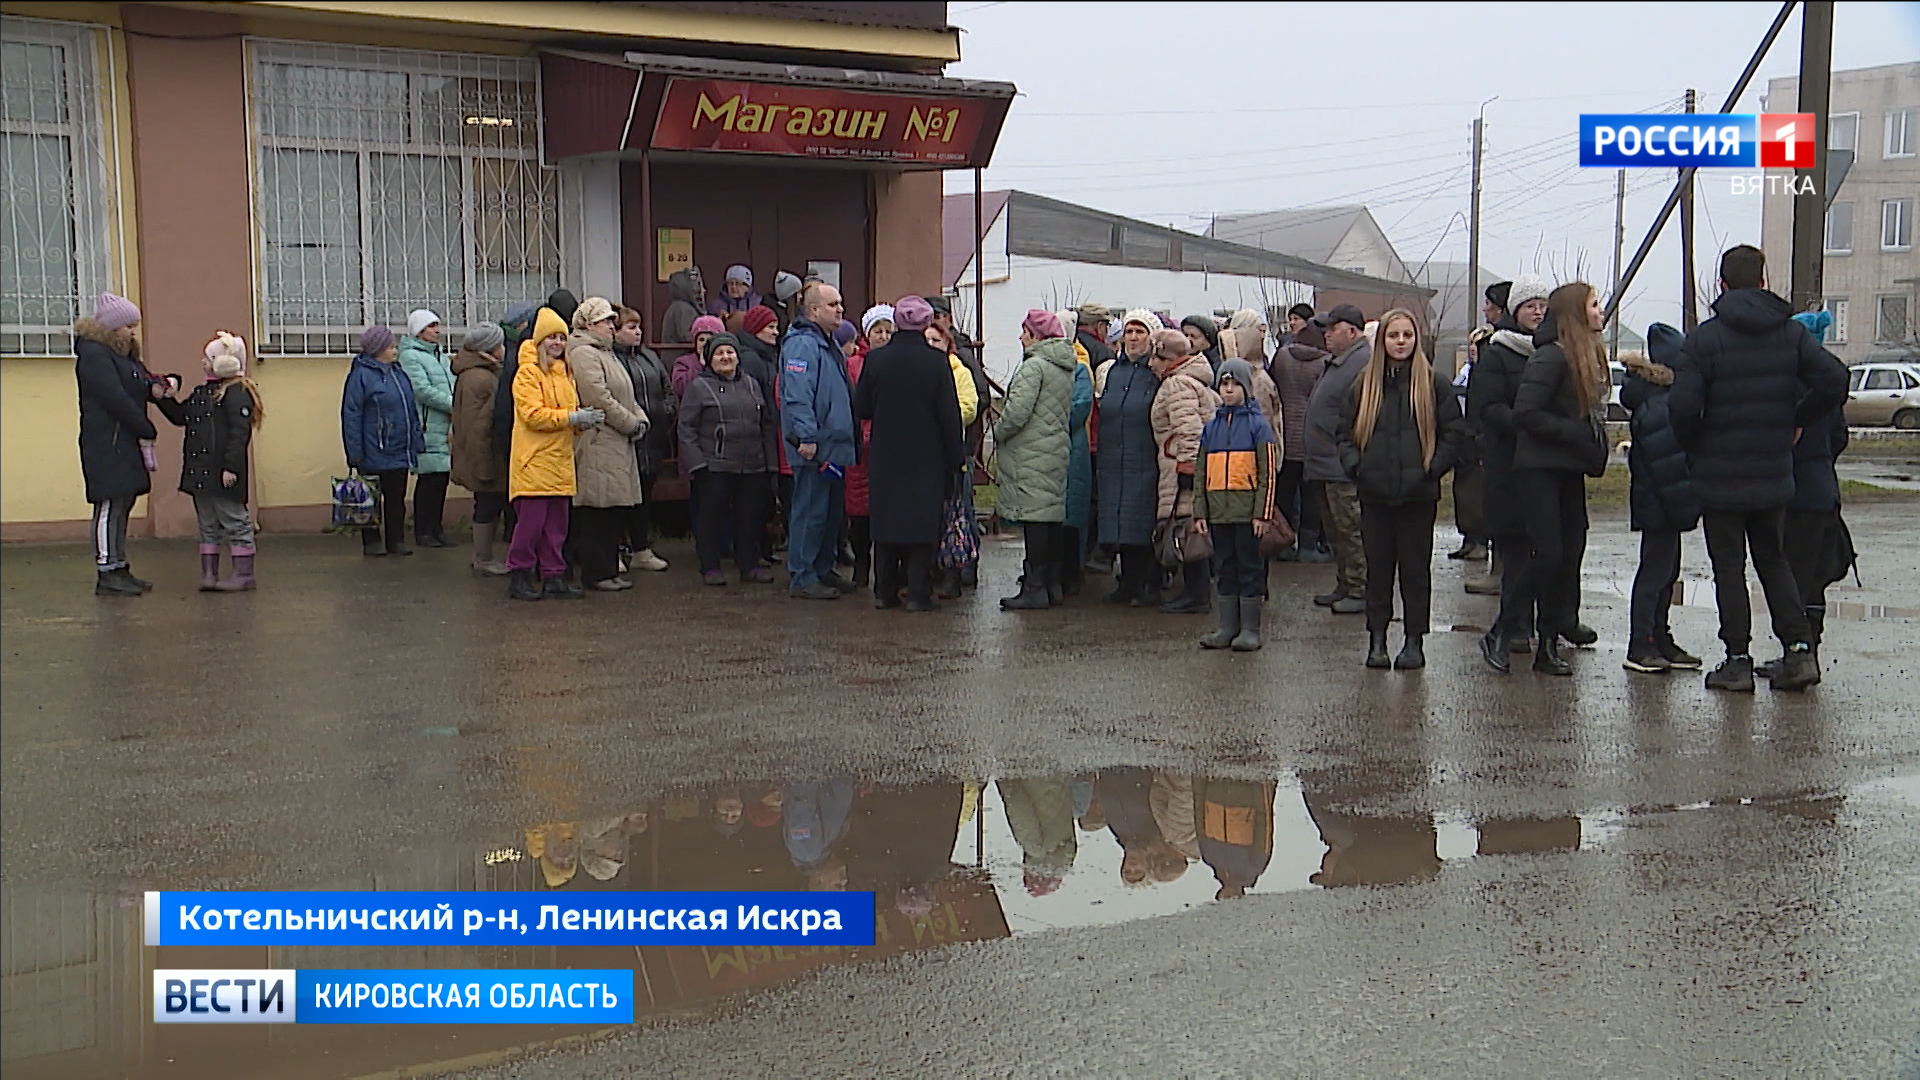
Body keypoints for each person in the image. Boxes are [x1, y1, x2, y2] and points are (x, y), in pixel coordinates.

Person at [1668, 244, 1850, 692]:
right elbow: (1836, 380)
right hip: (1773, 470)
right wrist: (1798, 419)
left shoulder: (1704, 339)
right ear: (1764, 280)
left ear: (1723, 284)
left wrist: (1697, 446)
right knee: (1774, 560)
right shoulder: (1790, 335)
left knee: (1728, 567)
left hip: (1719, 475)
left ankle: (1737, 659)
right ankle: (1799, 652)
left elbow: (1683, 408)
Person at [1337, 309, 1464, 671]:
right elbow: (1343, 434)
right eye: (1394, 336)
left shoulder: (1434, 384)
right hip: (1375, 494)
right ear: (1382, 341)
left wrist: (1432, 469)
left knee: (1414, 571)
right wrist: (1357, 467)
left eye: (1407, 335)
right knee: (1378, 571)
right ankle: (1376, 640)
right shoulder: (1363, 385)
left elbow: (1454, 433)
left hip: (1417, 496)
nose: (1401, 342)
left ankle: (1414, 641)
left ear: (1416, 339)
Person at [1499, 283, 1612, 677]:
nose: (1601, 312)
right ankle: (1503, 627)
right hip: (1539, 469)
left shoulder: (1583, 355)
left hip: (1566, 470)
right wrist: (1574, 433)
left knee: (1566, 555)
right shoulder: (1550, 357)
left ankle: (1548, 644)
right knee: (1547, 554)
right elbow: (1525, 413)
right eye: (1594, 306)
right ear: (1575, 315)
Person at [853, 296, 965, 612]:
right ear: (926, 323)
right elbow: (948, 416)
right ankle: (917, 594)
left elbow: (861, 407)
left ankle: (884, 592)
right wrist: (955, 458)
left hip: (886, 454)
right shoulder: (935, 362)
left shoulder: (876, 361)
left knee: (886, 523)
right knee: (920, 524)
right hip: (925, 456)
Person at [1470, 274, 1550, 655]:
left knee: (1545, 548)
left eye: (1542, 305)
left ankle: (1543, 622)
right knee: (1517, 548)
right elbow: (1484, 408)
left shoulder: (1550, 350)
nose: (1537, 311)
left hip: (1544, 465)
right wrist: (1524, 420)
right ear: (1515, 309)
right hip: (1508, 463)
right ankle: (1513, 625)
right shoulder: (1497, 352)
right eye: (1529, 305)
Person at [1762, 334, 1848, 682]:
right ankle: (1811, 647)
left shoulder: (1787, 390)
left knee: (1790, 579)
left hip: (1794, 494)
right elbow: (1840, 437)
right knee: (1814, 580)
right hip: (1824, 491)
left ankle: (1797, 655)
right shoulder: (1825, 393)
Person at [1620, 324, 1704, 673]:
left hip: (1663, 503)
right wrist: (1685, 505)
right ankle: (1642, 643)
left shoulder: (1663, 400)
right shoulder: (1659, 406)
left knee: (1667, 571)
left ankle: (1659, 635)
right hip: (1660, 503)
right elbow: (1666, 464)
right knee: (1655, 573)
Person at [153, 331, 263, 591]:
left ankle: (244, 574)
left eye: (209, 357)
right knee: (207, 523)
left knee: (235, 521)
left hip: (223, 472)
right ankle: (209, 574)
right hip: (200, 471)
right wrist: (163, 398)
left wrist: (231, 467)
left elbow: (239, 434)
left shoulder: (236, 393)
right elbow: (182, 416)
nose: (203, 362)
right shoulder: (203, 392)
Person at [506, 307, 602, 601]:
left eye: (562, 337)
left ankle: (553, 576)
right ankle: (519, 574)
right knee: (530, 526)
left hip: (560, 462)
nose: (558, 343)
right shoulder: (527, 374)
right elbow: (532, 415)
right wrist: (571, 419)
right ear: (538, 341)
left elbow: (564, 417)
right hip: (533, 462)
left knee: (556, 527)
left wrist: (581, 422)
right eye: (551, 337)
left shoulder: (565, 375)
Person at [74, 292, 164, 596]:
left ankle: (119, 565)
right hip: (106, 441)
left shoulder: (122, 355)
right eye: (128, 325)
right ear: (113, 328)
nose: (132, 331)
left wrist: (161, 384)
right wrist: (144, 426)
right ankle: (106, 569)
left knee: (123, 502)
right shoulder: (95, 356)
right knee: (109, 504)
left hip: (123, 440)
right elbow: (114, 397)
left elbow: (140, 380)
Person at [678, 332, 778, 585]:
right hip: (715, 466)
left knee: (750, 519)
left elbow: (766, 424)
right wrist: (698, 464)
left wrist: (770, 462)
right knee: (710, 519)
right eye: (719, 353)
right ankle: (710, 567)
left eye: (730, 352)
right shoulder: (698, 387)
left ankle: (749, 566)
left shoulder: (752, 384)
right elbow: (686, 428)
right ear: (710, 359)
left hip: (752, 464)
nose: (725, 357)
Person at [995, 310, 1078, 610]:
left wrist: (999, 430)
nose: (1020, 338)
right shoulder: (1065, 366)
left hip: (1030, 451)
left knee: (1035, 520)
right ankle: (1051, 584)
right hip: (1054, 448)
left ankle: (1034, 587)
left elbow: (1017, 411)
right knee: (1049, 516)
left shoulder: (1035, 367)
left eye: (1024, 332)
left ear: (1036, 336)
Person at [1193, 358, 1279, 650]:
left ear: (1245, 387)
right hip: (1219, 513)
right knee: (1224, 568)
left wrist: (1262, 513)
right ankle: (1227, 626)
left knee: (1250, 568)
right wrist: (1200, 510)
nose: (1228, 390)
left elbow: (1267, 472)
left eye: (1234, 384)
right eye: (1224, 384)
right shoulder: (1211, 428)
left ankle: (1250, 628)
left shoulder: (1259, 426)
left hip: (1246, 513)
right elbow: (1201, 472)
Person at [780, 281, 857, 600]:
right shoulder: (802, 345)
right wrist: (806, 436)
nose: (840, 309)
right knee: (810, 511)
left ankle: (823, 569)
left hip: (835, 445)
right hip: (814, 448)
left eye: (840, 303)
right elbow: (798, 395)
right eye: (832, 304)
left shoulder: (828, 343)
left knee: (829, 514)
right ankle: (802, 575)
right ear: (813, 310)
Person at [567, 297, 649, 592]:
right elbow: (598, 397)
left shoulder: (608, 353)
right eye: (605, 321)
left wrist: (639, 418)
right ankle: (597, 572)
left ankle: (609, 568)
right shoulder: (584, 353)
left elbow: (626, 392)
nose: (612, 326)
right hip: (599, 439)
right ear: (589, 324)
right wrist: (629, 422)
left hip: (618, 441)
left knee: (614, 508)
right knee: (598, 509)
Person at [1302, 304, 1373, 615]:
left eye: (1332, 328)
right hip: (1323, 464)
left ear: (1352, 332)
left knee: (1351, 530)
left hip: (1342, 465)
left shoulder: (1362, 363)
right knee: (1335, 531)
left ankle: (1360, 588)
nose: (1326, 334)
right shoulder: (1339, 362)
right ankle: (1345, 583)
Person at [1148, 327, 1222, 615]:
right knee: (1190, 523)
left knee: (1188, 525)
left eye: (1155, 357)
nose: (1151, 364)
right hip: (1181, 463)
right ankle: (1196, 591)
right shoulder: (1191, 381)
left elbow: (1188, 429)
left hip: (1179, 465)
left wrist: (1188, 467)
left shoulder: (1177, 385)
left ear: (1166, 357)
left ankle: (1197, 594)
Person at [1094, 310, 1166, 605]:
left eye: (1140, 332)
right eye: (1129, 332)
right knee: (1119, 520)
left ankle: (1150, 582)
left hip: (1144, 455)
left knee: (1143, 520)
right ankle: (1127, 581)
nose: (1133, 338)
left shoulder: (1156, 372)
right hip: (1114, 455)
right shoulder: (1114, 370)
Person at [340, 324, 425, 559]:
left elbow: (410, 410)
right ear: (377, 350)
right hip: (373, 450)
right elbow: (351, 415)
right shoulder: (360, 376)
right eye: (390, 347)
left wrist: (416, 440)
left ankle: (396, 540)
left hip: (399, 449)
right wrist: (354, 452)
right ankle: (372, 541)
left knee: (396, 499)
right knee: (371, 499)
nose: (394, 350)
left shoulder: (398, 373)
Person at [613, 305, 672, 574]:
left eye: (638, 327)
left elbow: (666, 387)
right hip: (625, 438)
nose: (638, 332)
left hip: (653, 439)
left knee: (644, 496)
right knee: (619, 499)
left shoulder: (649, 357)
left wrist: (667, 411)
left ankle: (641, 549)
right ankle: (616, 549)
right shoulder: (611, 360)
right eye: (631, 327)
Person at [450, 323, 511, 575]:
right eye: (500, 344)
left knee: (487, 503)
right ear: (489, 349)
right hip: (484, 455)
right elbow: (478, 426)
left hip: (479, 453)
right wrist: (484, 464)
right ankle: (483, 557)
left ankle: (483, 556)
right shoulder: (482, 378)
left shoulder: (477, 373)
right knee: (487, 504)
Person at [1270, 319, 1330, 562]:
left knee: (1284, 492)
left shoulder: (1282, 357)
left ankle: (1282, 542)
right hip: (1313, 436)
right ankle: (1308, 546)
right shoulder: (1325, 363)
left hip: (1285, 433)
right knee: (1312, 495)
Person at [845, 305, 894, 588]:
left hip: (885, 443)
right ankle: (860, 568)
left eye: (888, 331)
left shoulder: (894, 362)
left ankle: (884, 573)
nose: (883, 336)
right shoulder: (854, 364)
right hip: (859, 448)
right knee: (858, 513)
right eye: (878, 331)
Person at [397, 309, 454, 547]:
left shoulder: (440, 355)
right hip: (427, 423)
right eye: (431, 326)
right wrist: (454, 405)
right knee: (429, 478)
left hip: (445, 425)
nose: (437, 331)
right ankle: (423, 530)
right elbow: (421, 390)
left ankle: (436, 528)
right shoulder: (410, 356)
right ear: (419, 331)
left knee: (442, 477)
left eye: (437, 325)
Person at [1053, 309, 1097, 598]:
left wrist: (1047, 421)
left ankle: (1071, 573)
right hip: (1050, 448)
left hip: (1073, 447)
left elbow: (1080, 406)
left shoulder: (1080, 366)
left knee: (1071, 513)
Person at [1195, 777, 1276, 899]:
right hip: (1245, 784)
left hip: (1215, 779)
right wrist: (1260, 779)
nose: (1228, 898)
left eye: (1224, 899)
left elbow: (1198, 810)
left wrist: (1198, 774)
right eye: (1233, 899)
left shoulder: (1209, 857)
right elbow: (1264, 820)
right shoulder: (1254, 866)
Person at [672, 315, 727, 405]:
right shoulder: (683, 362)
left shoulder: (725, 360)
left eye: (709, 340)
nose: (704, 344)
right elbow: (680, 388)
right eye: (701, 340)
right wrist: (701, 366)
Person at [707, 264, 761, 330]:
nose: (733, 287)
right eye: (730, 283)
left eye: (737, 283)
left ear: (747, 286)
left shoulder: (758, 304)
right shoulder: (715, 306)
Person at [661, 267, 704, 346]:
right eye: (697, 287)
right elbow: (687, 337)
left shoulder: (677, 306)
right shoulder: (683, 309)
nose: (702, 291)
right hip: (679, 356)